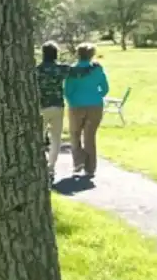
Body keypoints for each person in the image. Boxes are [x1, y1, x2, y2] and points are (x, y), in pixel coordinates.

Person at [64, 43, 109, 178]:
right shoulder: (97, 69)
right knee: (90, 137)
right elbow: (105, 88)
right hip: (95, 105)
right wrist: (96, 97)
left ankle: (78, 160)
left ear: (78, 54)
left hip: (76, 106)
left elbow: (67, 91)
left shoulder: (72, 71)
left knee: (75, 134)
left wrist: (72, 101)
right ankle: (90, 168)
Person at [36, 41, 70, 183]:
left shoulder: (37, 70)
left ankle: (40, 165)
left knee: (39, 137)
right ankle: (51, 167)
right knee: (56, 138)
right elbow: (76, 71)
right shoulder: (61, 69)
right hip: (57, 106)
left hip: (41, 106)